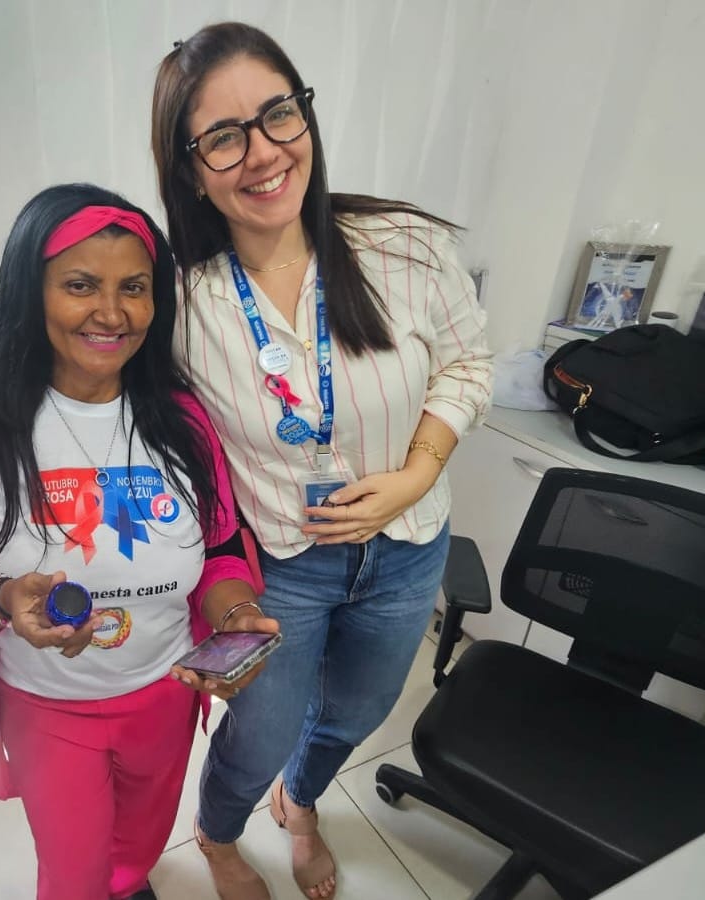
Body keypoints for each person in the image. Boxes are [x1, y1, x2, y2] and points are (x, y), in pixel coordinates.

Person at [150, 22, 494, 899]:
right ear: (191, 169)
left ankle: (301, 803)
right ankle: (218, 834)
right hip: (279, 565)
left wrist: (419, 471)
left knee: (355, 712)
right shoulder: (179, 296)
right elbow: (44, 297)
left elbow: (467, 362)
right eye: (224, 137)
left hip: (406, 549)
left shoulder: (403, 246)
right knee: (258, 733)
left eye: (278, 114)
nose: (263, 152)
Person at [0, 183, 278, 900]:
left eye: (134, 288)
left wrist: (234, 615)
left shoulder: (182, 417)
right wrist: (2, 599)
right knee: (73, 875)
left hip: (166, 692)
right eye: (80, 285)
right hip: (47, 703)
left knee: (139, 848)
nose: (112, 313)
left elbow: (221, 550)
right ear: (31, 292)